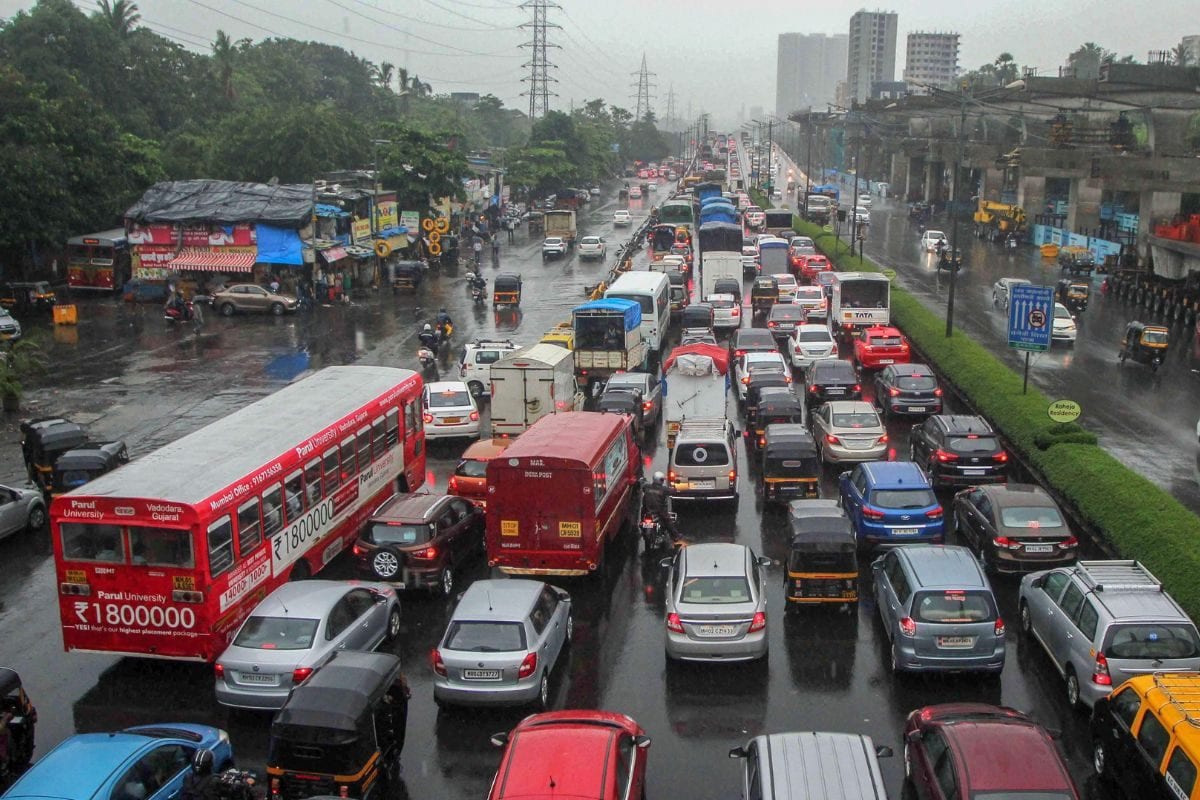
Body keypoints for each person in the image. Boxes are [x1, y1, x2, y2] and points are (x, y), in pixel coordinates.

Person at [641, 472, 682, 544]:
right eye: (662, 480)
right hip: (659, 511)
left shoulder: (647, 487)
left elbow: (643, 485)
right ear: (660, 480)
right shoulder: (664, 489)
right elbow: (674, 491)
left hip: (647, 510)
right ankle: (676, 536)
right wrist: (676, 488)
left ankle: (642, 529)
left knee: (642, 515)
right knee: (668, 521)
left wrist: (642, 481)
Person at [382, 671, 411, 756]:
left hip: (396, 702)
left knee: (397, 729)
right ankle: (396, 749)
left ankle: (395, 749)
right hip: (397, 701)